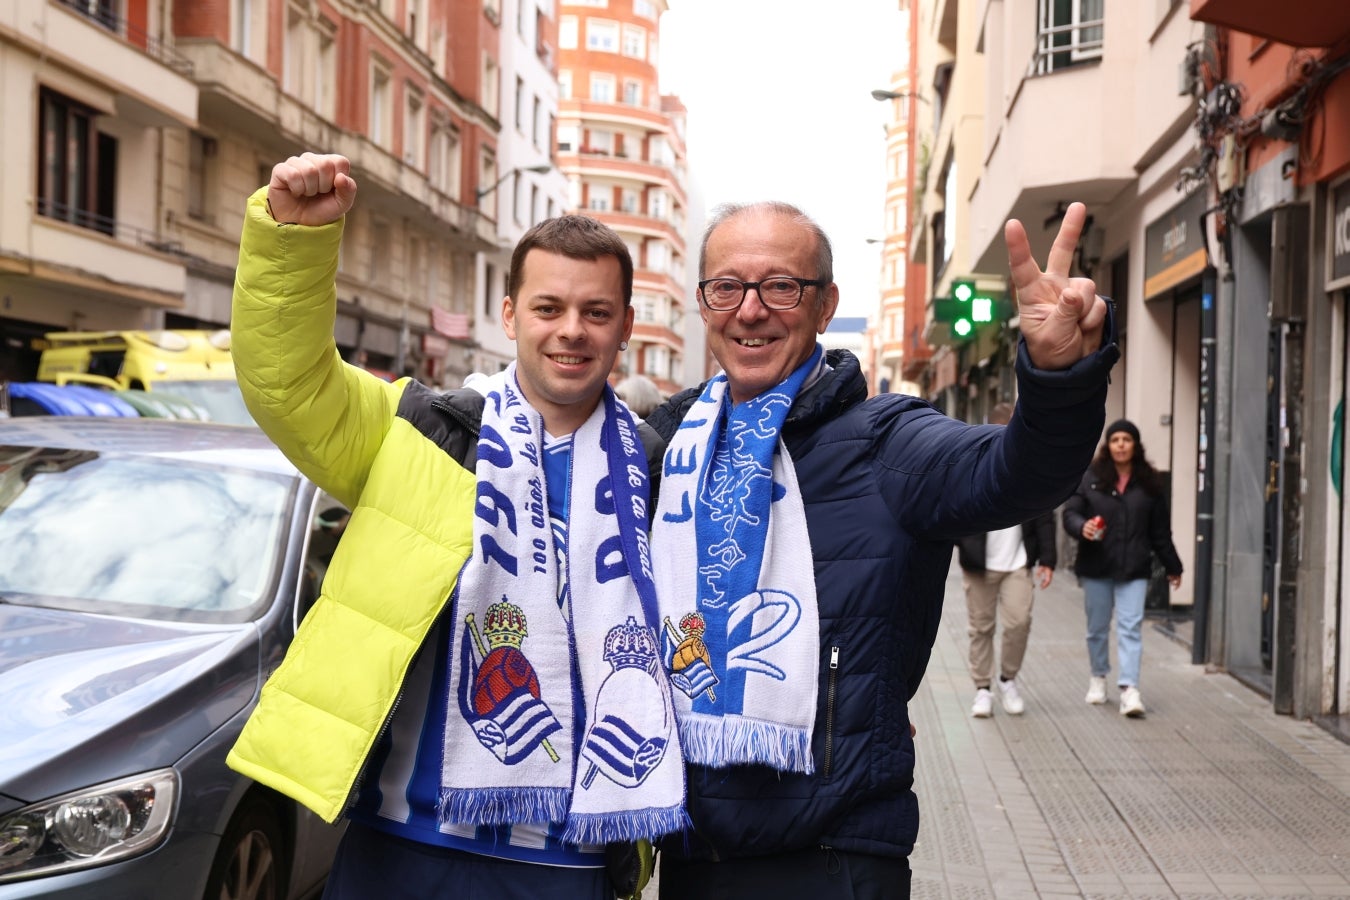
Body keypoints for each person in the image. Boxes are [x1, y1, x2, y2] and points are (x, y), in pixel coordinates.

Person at [225, 152, 685, 900]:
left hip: (570, 863)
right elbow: (291, 384)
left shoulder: (659, 475)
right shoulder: (424, 430)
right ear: (509, 314)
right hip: (402, 845)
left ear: (626, 325)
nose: (572, 331)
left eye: (596, 312)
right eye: (548, 308)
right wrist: (292, 241)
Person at [644, 198, 1117, 899]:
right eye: (727, 287)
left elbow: (1020, 473)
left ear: (825, 304)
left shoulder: (886, 442)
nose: (751, 310)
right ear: (704, 302)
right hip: (691, 856)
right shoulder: (668, 450)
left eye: (781, 286)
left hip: (836, 857)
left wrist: (1055, 382)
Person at [1062, 418, 1183, 718]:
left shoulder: (1150, 484)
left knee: (1131, 628)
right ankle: (1098, 677)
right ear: (1108, 445)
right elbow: (1071, 513)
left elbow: (1160, 532)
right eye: (1115, 440)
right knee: (1097, 629)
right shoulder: (1090, 478)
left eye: (1126, 440)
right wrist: (1083, 527)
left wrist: (1173, 565)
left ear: (1135, 445)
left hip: (1134, 568)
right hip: (1096, 566)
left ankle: (1130, 689)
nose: (1120, 445)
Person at [956, 402, 1056, 718]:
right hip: (979, 564)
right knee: (980, 628)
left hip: (1018, 562)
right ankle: (983, 689)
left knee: (1018, 623)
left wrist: (1048, 558)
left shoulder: (1030, 468)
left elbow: (1044, 513)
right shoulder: (973, 465)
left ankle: (1008, 679)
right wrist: (961, 544)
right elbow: (955, 507)